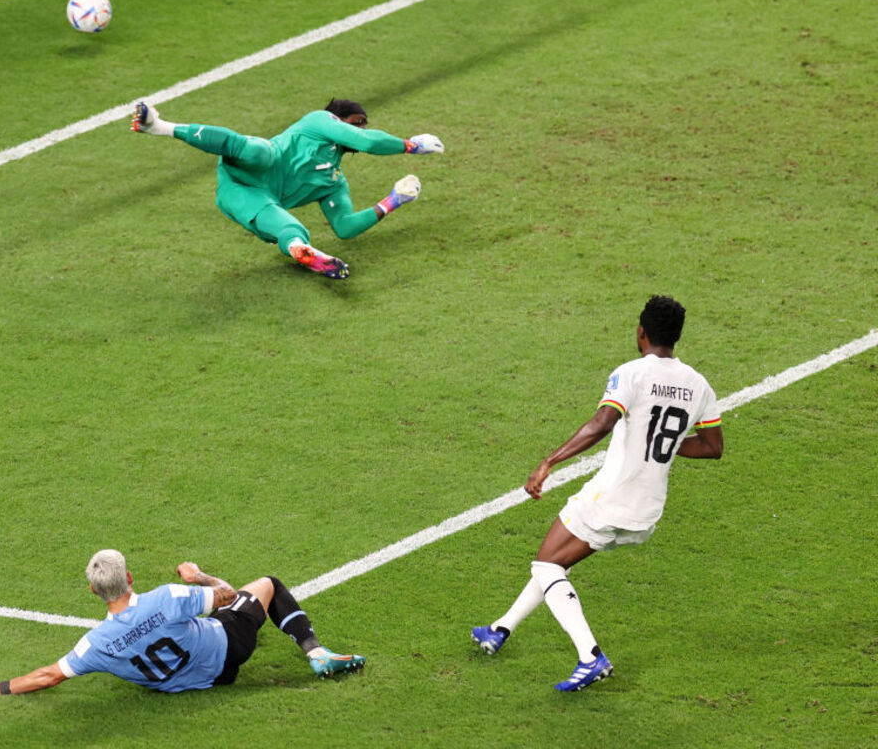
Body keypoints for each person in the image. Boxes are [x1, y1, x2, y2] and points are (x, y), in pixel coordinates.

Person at [471, 295, 724, 691]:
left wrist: (549, 462)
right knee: (554, 560)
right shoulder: (699, 385)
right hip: (647, 511)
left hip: (611, 498)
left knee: (546, 567)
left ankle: (590, 656)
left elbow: (603, 422)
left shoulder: (632, 373)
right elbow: (712, 447)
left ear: (641, 332)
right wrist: (666, 445)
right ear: (676, 337)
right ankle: (500, 629)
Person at [0, 549, 365, 698]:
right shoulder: (166, 598)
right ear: (130, 578)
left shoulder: (95, 644)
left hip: (195, 683)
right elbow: (227, 595)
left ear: (92, 591)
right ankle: (315, 652)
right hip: (228, 649)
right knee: (265, 585)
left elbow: (49, 676)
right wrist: (200, 578)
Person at [130, 98, 444, 279]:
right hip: (244, 172)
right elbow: (368, 140)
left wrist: (393, 200)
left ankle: (300, 251)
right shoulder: (318, 122)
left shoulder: (333, 182)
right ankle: (157, 126)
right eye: (357, 121)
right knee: (260, 150)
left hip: (249, 198)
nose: (359, 129)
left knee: (289, 227)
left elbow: (345, 227)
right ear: (338, 118)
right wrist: (411, 146)